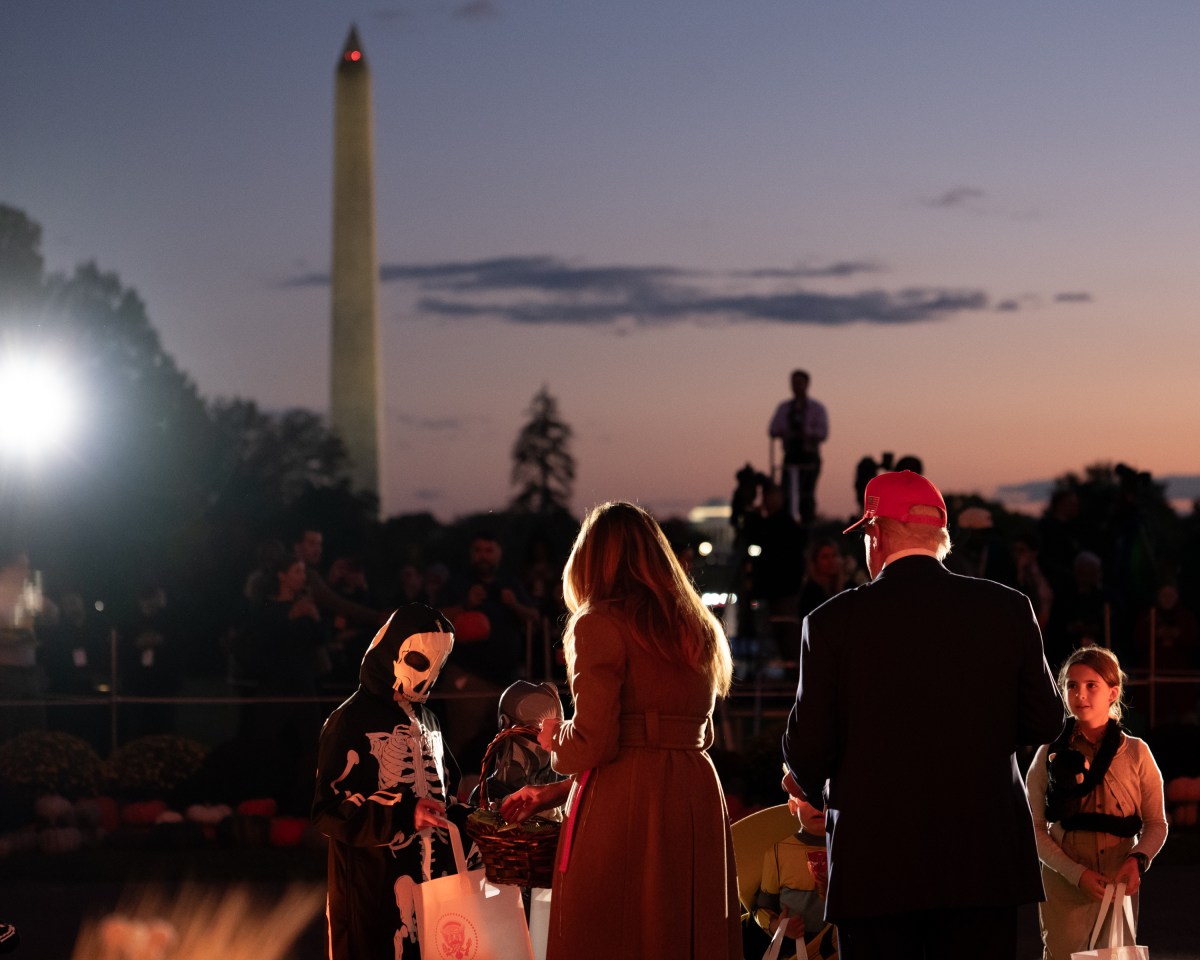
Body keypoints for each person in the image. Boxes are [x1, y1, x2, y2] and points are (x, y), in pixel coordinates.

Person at [782, 470, 1064, 960]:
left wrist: (810, 783)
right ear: (941, 538)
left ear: (875, 533)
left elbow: (808, 749)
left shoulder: (830, 621)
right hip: (984, 860)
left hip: (876, 866)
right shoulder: (1008, 609)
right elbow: (1046, 721)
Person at [500, 501, 741, 959]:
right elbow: (691, 733)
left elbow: (594, 740)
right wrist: (553, 794)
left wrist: (555, 739)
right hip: (695, 795)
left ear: (592, 560)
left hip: (626, 804)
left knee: (613, 930)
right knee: (684, 929)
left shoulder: (599, 623)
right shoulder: (697, 625)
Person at [311, 603, 468, 960]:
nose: (429, 676)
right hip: (370, 887)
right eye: (419, 661)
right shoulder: (348, 721)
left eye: (439, 665)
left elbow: (447, 792)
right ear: (391, 653)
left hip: (435, 890)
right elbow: (327, 811)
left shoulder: (429, 720)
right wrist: (401, 813)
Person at [1025, 645, 1168, 960]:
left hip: (1119, 880)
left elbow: (1156, 823)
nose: (1080, 694)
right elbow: (1033, 829)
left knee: (1115, 956)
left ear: (1113, 692)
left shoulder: (1136, 753)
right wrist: (1075, 873)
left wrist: (1137, 860)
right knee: (1062, 954)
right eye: (1072, 686)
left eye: (1092, 685)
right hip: (1064, 885)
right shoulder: (1048, 753)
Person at [752, 792, 838, 959]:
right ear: (793, 806)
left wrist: (831, 891)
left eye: (824, 797)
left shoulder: (847, 849)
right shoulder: (778, 853)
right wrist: (778, 926)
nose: (816, 804)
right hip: (795, 950)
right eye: (806, 797)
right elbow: (761, 908)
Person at [768, 369, 829, 526]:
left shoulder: (816, 408)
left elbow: (823, 432)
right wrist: (787, 432)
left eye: (799, 383)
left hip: (809, 457)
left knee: (806, 494)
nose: (796, 387)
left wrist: (806, 433)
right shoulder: (784, 408)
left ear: (807, 385)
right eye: (794, 383)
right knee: (787, 495)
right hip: (790, 456)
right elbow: (773, 429)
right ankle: (787, 527)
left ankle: (807, 526)